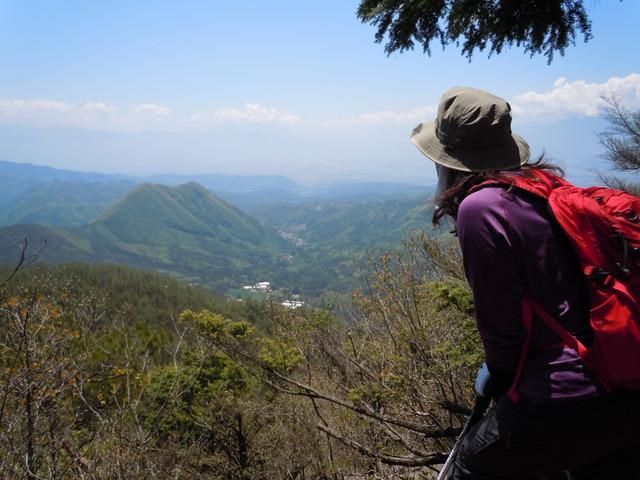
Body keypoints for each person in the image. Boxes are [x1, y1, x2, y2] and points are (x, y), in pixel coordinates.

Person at [410, 87, 640, 479]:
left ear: (449, 161)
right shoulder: (543, 188)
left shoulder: (481, 208)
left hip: (560, 395)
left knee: (469, 466)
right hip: (621, 390)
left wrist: (497, 378)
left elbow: (502, 329)